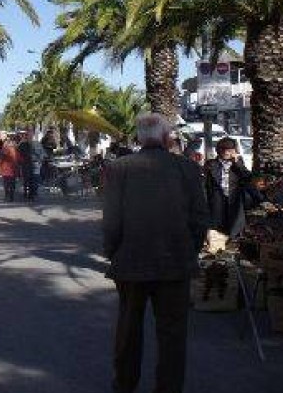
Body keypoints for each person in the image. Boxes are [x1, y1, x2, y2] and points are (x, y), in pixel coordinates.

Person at [103, 113, 210, 393]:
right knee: (172, 334)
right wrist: (189, 250)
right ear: (166, 138)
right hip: (175, 262)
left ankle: (125, 384)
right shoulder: (187, 168)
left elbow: (111, 220)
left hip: (130, 261)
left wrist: (113, 252)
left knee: (128, 329)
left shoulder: (118, 168)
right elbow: (200, 219)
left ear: (139, 138)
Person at [204, 137, 251, 238]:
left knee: (234, 226)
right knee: (218, 228)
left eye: (229, 150)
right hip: (217, 199)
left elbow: (247, 177)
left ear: (234, 151)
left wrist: (237, 163)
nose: (226, 153)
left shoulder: (238, 163)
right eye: (223, 150)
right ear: (218, 151)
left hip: (234, 198)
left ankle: (232, 240)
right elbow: (206, 184)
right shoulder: (211, 164)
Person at [17, 130, 45, 201]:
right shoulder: (23, 144)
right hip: (27, 164)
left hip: (33, 165)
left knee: (33, 180)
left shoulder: (36, 144)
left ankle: (32, 194)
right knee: (29, 180)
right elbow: (18, 154)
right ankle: (29, 193)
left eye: (30, 135)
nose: (29, 137)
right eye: (28, 135)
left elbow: (42, 154)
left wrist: (39, 161)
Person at [0, 137, 21, 201]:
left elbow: (1, 160)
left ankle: (7, 195)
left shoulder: (4, 151)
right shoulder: (16, 151)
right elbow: (20, 160)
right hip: (13, 170)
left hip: (5, 170)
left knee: (6, 183)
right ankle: (11, 196)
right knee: (12, 183)